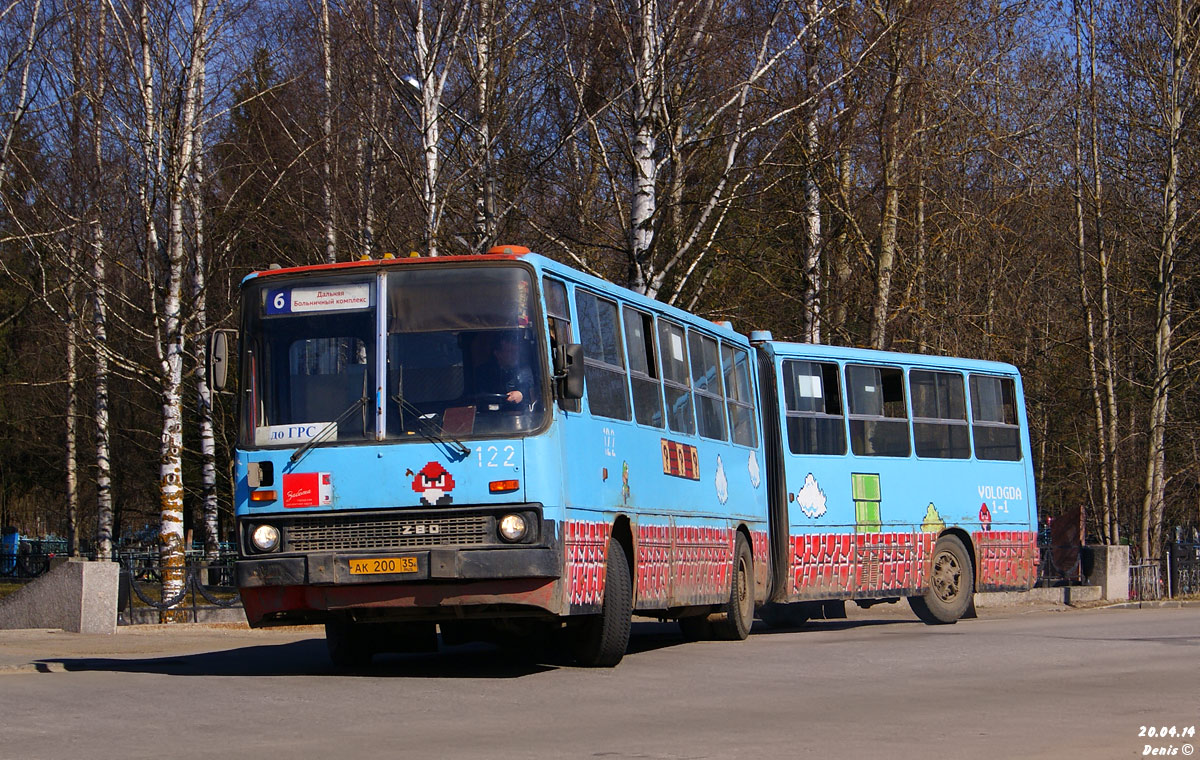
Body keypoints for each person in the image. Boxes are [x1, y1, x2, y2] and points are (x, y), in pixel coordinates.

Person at [476, 334, 534, 406]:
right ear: (498, 354)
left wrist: (520, 393)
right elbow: (479, 394)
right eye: (510, 351)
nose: (515, 355)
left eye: (516, 351)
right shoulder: (483, 372)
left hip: (518, 414)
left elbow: (528, 386)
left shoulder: (523, 370)